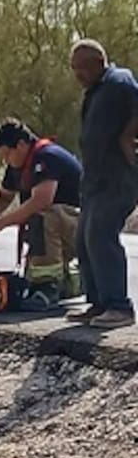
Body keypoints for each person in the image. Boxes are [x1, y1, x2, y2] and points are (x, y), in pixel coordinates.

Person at [66, 39, 138, 328]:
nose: (78, 74)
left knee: (100, 235)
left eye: (82, 67)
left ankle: (119, 307)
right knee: (83, 240)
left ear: (99, 62)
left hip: (118, 177)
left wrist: (127, 137)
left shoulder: (119, 81)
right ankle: (98, 303)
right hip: (95, 180)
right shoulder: (95, 91)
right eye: (74, 69)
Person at [0, 118, 82, 311]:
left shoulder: (47, 157)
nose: (6, 160)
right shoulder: (18, 165)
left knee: (42, 215)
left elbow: (41, 201)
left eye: (7, 154)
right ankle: (69, 281)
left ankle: (48, 287)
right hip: (63, 229)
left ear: (21, 145)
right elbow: (4, 195)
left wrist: (1, 223)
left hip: (82, 225)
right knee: (33, 271)